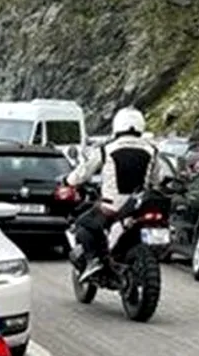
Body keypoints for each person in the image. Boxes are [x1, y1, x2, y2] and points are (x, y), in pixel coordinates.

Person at [64, 107, 165, 281]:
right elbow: (159, 178)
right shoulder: (152, 150)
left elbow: (83, 172)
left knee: (83, 225)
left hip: (113, 206)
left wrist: (68, 181)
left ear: (117, 125)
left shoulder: (107, 149)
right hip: (139, 205)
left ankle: (93, 260)